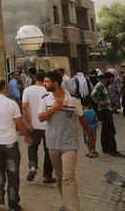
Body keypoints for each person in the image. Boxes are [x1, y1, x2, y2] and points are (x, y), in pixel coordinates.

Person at [39, 70, 96, 211]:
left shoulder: (73, 100)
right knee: (60, 177)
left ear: (55, 84)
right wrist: (53, 108)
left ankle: (73, 208)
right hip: (52, 143)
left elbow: (82, 118)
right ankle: (67, 204)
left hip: (70, 144)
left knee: (68, 177)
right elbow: (41, 118)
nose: (44, 84)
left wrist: (90, 137)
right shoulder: (45, 99)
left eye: (47, 82)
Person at [0, 77, 32, 211]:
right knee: (13, 173)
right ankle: (13, 204)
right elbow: (19, 123)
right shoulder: (12, 104)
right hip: (10, 142)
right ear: (5, 88)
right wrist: (27, 136)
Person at [21, 69, 56, 184]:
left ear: (35, 78)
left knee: (32, 147)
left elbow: (24, 107)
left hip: (34, 125)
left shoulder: (27, 90)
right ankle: (47, 175)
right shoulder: (50, 91)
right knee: (48, 150)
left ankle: (33, 167)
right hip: (48, 125)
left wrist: (28, 123)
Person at [91, 72, 123, 157]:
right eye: (112, 79)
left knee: (105, 130)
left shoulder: (105, 85)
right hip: (104, 110)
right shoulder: (100, 85)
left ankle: (105, 148)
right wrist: (99, 101)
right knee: (110, 130)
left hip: (107, 109)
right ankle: (113, 150)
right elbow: (93, 94)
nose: (112, 81)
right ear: (107, 78)